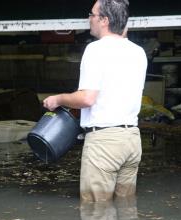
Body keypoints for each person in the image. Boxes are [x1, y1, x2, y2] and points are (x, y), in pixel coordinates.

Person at [43, 0, 147, 202]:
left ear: (104, 20)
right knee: (126, 208)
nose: (89, 19)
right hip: (132, 139)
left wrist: (58, 99)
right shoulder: (138, 52)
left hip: (104, 143)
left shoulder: (96, 50)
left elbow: (87, 98)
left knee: (96, 211)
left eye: (91, 14)